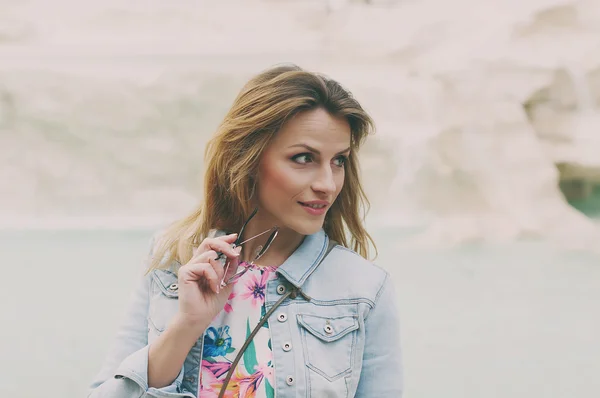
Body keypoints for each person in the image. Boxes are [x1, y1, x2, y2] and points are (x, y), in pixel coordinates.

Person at [88, 64, 403, 398]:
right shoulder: (173, 258)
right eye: (303, 158)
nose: (327, 184)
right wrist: (187, 325)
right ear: (249, 159)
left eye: (338, 161)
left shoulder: (365, 289)